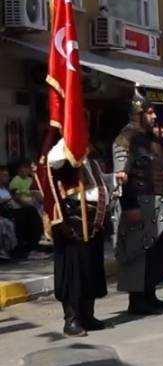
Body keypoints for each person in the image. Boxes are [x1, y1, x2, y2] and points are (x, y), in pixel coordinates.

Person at [113, 92, 163, 315]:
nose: (153, 116)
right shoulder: (125, 139)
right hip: (138, 203)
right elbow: (121, 176)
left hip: (155, 203)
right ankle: (136, 300)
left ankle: (149, 294)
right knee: (137, 253)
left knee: (153, 253)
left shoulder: (150, 139)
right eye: (148, 112)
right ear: (137, 114)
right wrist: (129, 205)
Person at [40, 140, 110, 336]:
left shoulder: (91, 160)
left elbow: (97, 185)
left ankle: (87, 315)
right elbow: (51, 162)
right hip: (73, 221)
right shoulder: (63, 157)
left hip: (94, 220)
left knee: (90, 269)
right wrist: (69, 141)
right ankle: (72, 320)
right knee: (73, 272)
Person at [0, 165, 43, 255]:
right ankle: (29, 248)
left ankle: (33, 247)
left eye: (7, 175)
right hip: (5, 211)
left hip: (14, 210)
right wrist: (7, 200)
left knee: (32, 213)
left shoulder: (6, 189)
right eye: (4, 176)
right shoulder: (12, 184)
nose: (7, 178)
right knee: (29, 213)